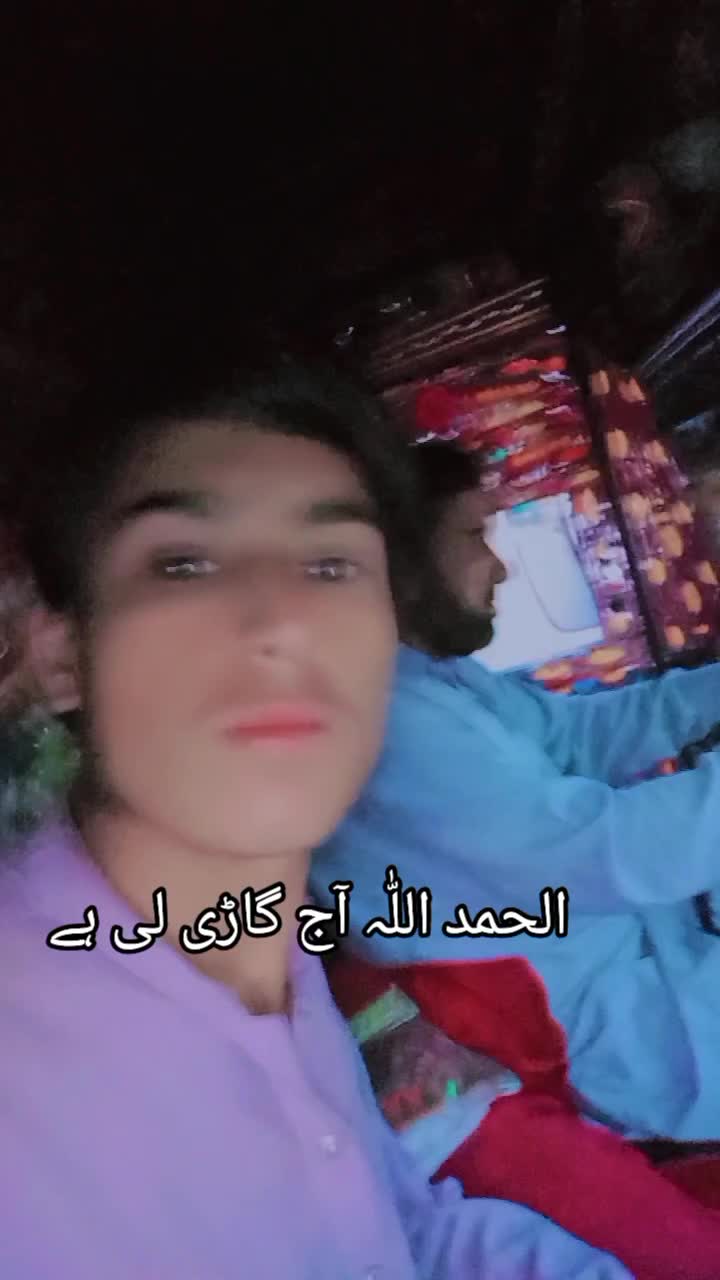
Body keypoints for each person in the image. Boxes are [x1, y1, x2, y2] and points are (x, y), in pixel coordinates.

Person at [0, 357, 631, 1279]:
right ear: (62, 657)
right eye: (183, 563)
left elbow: (401, 1231)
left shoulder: (268, 945)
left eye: (332, 565)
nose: (284, 621)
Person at [313, 438, 720, 1141]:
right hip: (633, 1039)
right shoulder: (389, 726)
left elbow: (579, 735)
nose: (498, 566)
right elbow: (609, 852)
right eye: (474, 534)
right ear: (400, 556)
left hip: (653, 961)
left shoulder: (430, 680)